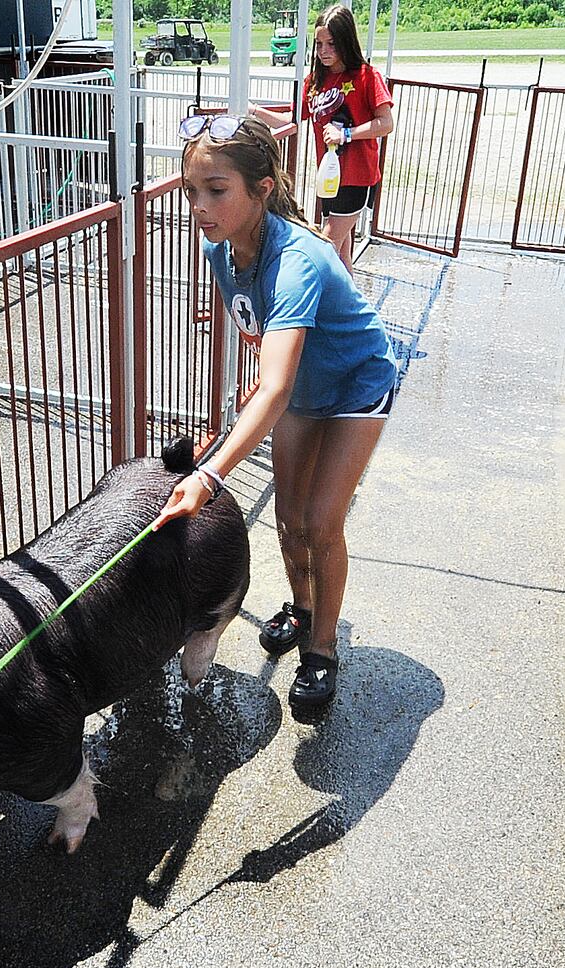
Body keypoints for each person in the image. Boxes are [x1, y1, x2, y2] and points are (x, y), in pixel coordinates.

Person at [151, 113, 398, 709]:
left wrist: (209, 475)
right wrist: (263, 379)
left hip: (355, 386)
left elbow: (277, 388)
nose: (199, 207)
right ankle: (304, 605)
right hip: (301, 388)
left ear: (262, 190)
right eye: (191, 191)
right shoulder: (223, 248)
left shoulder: (300, 258)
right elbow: (257, 326)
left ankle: (323, 647)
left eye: (216, 191)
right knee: (287, 522)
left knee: (319, 521)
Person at [249, 4, 395, 273]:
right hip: (330, 177)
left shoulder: (366, 76)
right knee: (341, 255)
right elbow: (294, 119)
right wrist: (256, 111)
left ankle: (314, 308)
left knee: (325, 245)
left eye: (332, 43)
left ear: (346, 41)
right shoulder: (315, 81)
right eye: (319, 44)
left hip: (357, 176)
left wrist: (347, 134)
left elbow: (386, 123)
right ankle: (349, 311)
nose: (324, 51)